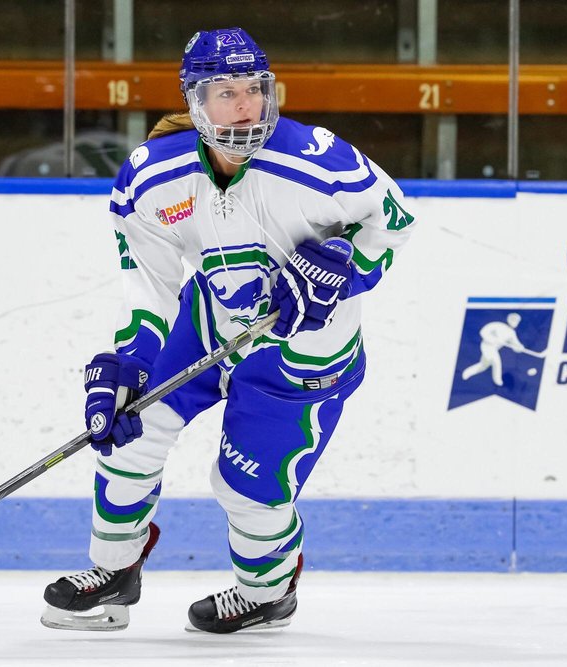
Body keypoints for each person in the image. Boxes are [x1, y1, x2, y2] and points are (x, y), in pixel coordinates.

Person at [40, 27, 416, 634]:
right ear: (194, 101)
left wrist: (341, 269)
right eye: (226, 93)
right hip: (211, 319)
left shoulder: (317, 161)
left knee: (242, 487)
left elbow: (393, 219)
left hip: (302, 351)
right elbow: (150, 283)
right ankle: (114, 571)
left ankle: (266, 592)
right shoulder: (152, 178)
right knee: (130, 426)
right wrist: (131, 361)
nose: (245, 106)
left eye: (254, 90)